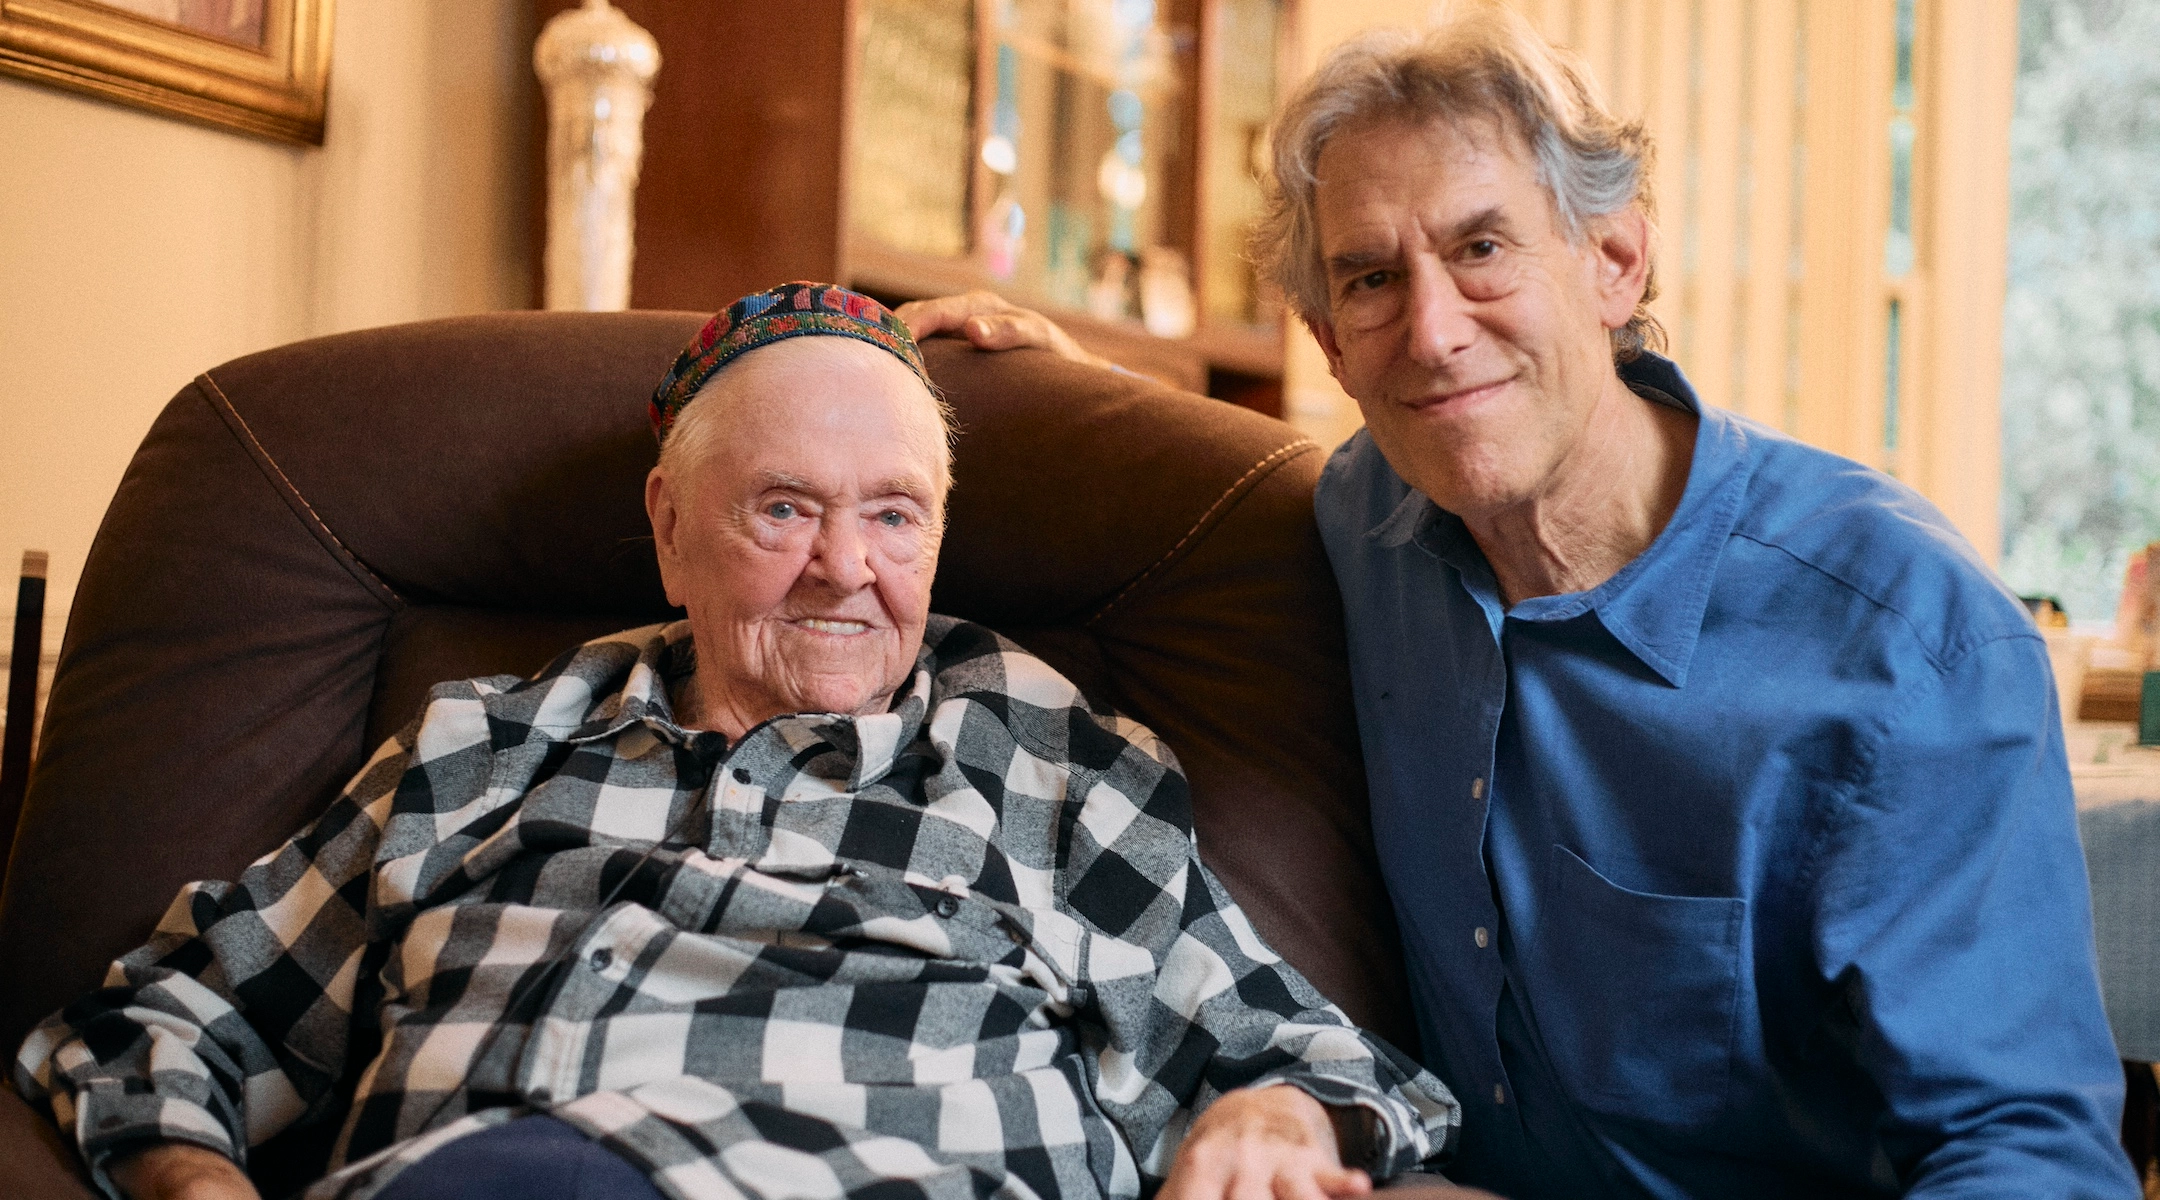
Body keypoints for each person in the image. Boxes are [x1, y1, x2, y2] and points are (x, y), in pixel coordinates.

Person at [897, 7, 2143, 1197]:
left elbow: (2022, 1153)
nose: (1433, 331)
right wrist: (1061, 393)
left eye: (1482, 247)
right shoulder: (1364, 517)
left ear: (1614, 258)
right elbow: (1195, 504)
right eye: (1372, 279)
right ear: (1329, 342)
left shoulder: (1904, 641)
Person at [12, 283, 1464, 1200]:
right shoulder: (484, 752)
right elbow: (167, 1027)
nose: (846, 568)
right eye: (782, 509)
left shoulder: (1037, 755)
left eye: (893, 514)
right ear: (666, 531)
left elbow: (1299, 1048)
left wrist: (1274, 1112)